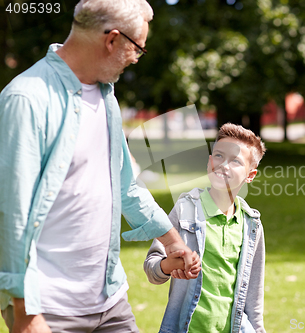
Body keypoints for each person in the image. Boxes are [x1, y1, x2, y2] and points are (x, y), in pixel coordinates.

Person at [0, 0, 200, 332]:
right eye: (137, 48)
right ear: (112, 40)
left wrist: (172, 242)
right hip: (49, 310)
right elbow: (11, 214)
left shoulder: (105, 96)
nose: (137, 57)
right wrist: (26, 313)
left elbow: (125, 184)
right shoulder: (27, 100)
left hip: (109, 301)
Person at [144, 123, 267, 333]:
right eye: (219, 156)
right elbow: (152, 268)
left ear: (250, 175)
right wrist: (168, 266)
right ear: (209, 162)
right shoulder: (184, 210)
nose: (224, 165)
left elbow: (254, 296)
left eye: (235, 161)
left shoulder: (251, 224)